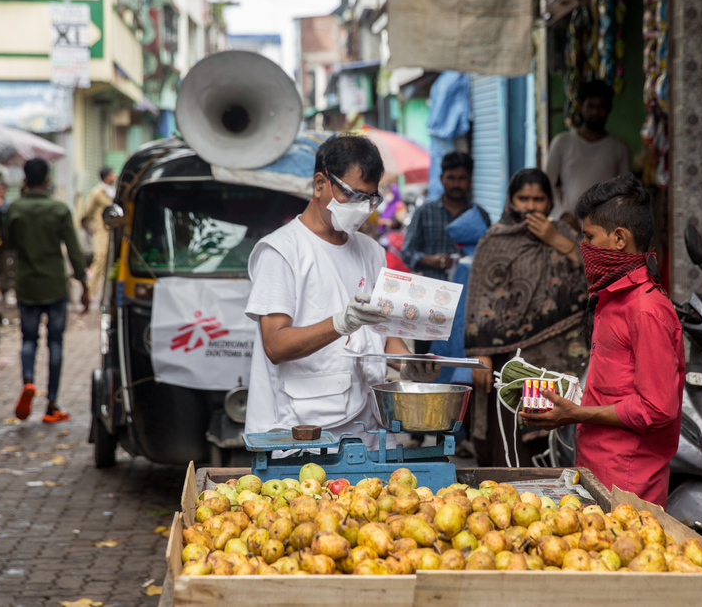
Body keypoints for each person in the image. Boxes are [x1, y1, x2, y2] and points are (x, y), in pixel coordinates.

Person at [244, 134, 439, 448]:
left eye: (371, 198)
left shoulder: (371, 251)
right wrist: (339, 324)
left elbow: (384, 336)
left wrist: (410, 366)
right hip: (300, 435)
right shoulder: (281, 251)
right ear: (321, 183)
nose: (363, 208)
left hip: (368, 431)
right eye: (353, 195)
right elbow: (276, 345)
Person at [519, 174, 684, 507]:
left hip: (627, 486)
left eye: (589, 237)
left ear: (619, 238)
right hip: (596, 471)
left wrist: (577, 414)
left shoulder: (647, 309)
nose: (584, 248)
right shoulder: (611, 297)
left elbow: (656, 408)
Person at [465, 169, 589, 467]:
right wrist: (481, 353)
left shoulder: (565, 233)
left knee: (557, 428)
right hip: (511, 359)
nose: (531, 207)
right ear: (511, 200)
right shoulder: (494, 240)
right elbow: (480, 296)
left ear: (550, 202)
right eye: (524, 199)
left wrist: (555, 240)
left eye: (538, 199)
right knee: (511, 433)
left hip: (560, 356)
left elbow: (593, 275)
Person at [7, 158, 90, 424]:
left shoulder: (15, 209)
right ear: (47, 179)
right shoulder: (59, 209)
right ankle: (52, 403)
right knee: (55, 343)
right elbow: (74, 250)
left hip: (27, 284)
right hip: (54, 284)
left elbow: (7, 244)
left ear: (25, 180)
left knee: (28, 340)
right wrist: (83, 283)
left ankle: (29, 382)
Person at [545, 80, 632, 226]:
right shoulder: (562, 142)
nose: (595, 112)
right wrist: (561, 214)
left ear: (610, 108)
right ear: (580, 107)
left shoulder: (619, 148)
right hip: (568, 228)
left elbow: (625, 192)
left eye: (601, 107)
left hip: (605, 230)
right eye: (590, 106)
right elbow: (547, 184)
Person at [401, 152, 490, 282]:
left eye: (462, 178)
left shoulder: (480, 215)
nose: (456, 184)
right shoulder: (424, 212)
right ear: (442, 178)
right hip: (432, 290)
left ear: (470, 179)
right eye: (451, 178)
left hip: (469, 291)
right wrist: (432, 261)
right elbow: (407, 253)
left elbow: (489, 256)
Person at [84, 167, 116, 300]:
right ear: (107, 177)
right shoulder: (97, 192)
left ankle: (109, 294)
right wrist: (93, 225)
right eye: (112, 174)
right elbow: (88, 212)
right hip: (102, 231)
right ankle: (90, 291)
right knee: (100, 258)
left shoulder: (113, 191)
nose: (115, 176)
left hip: (114, 230)